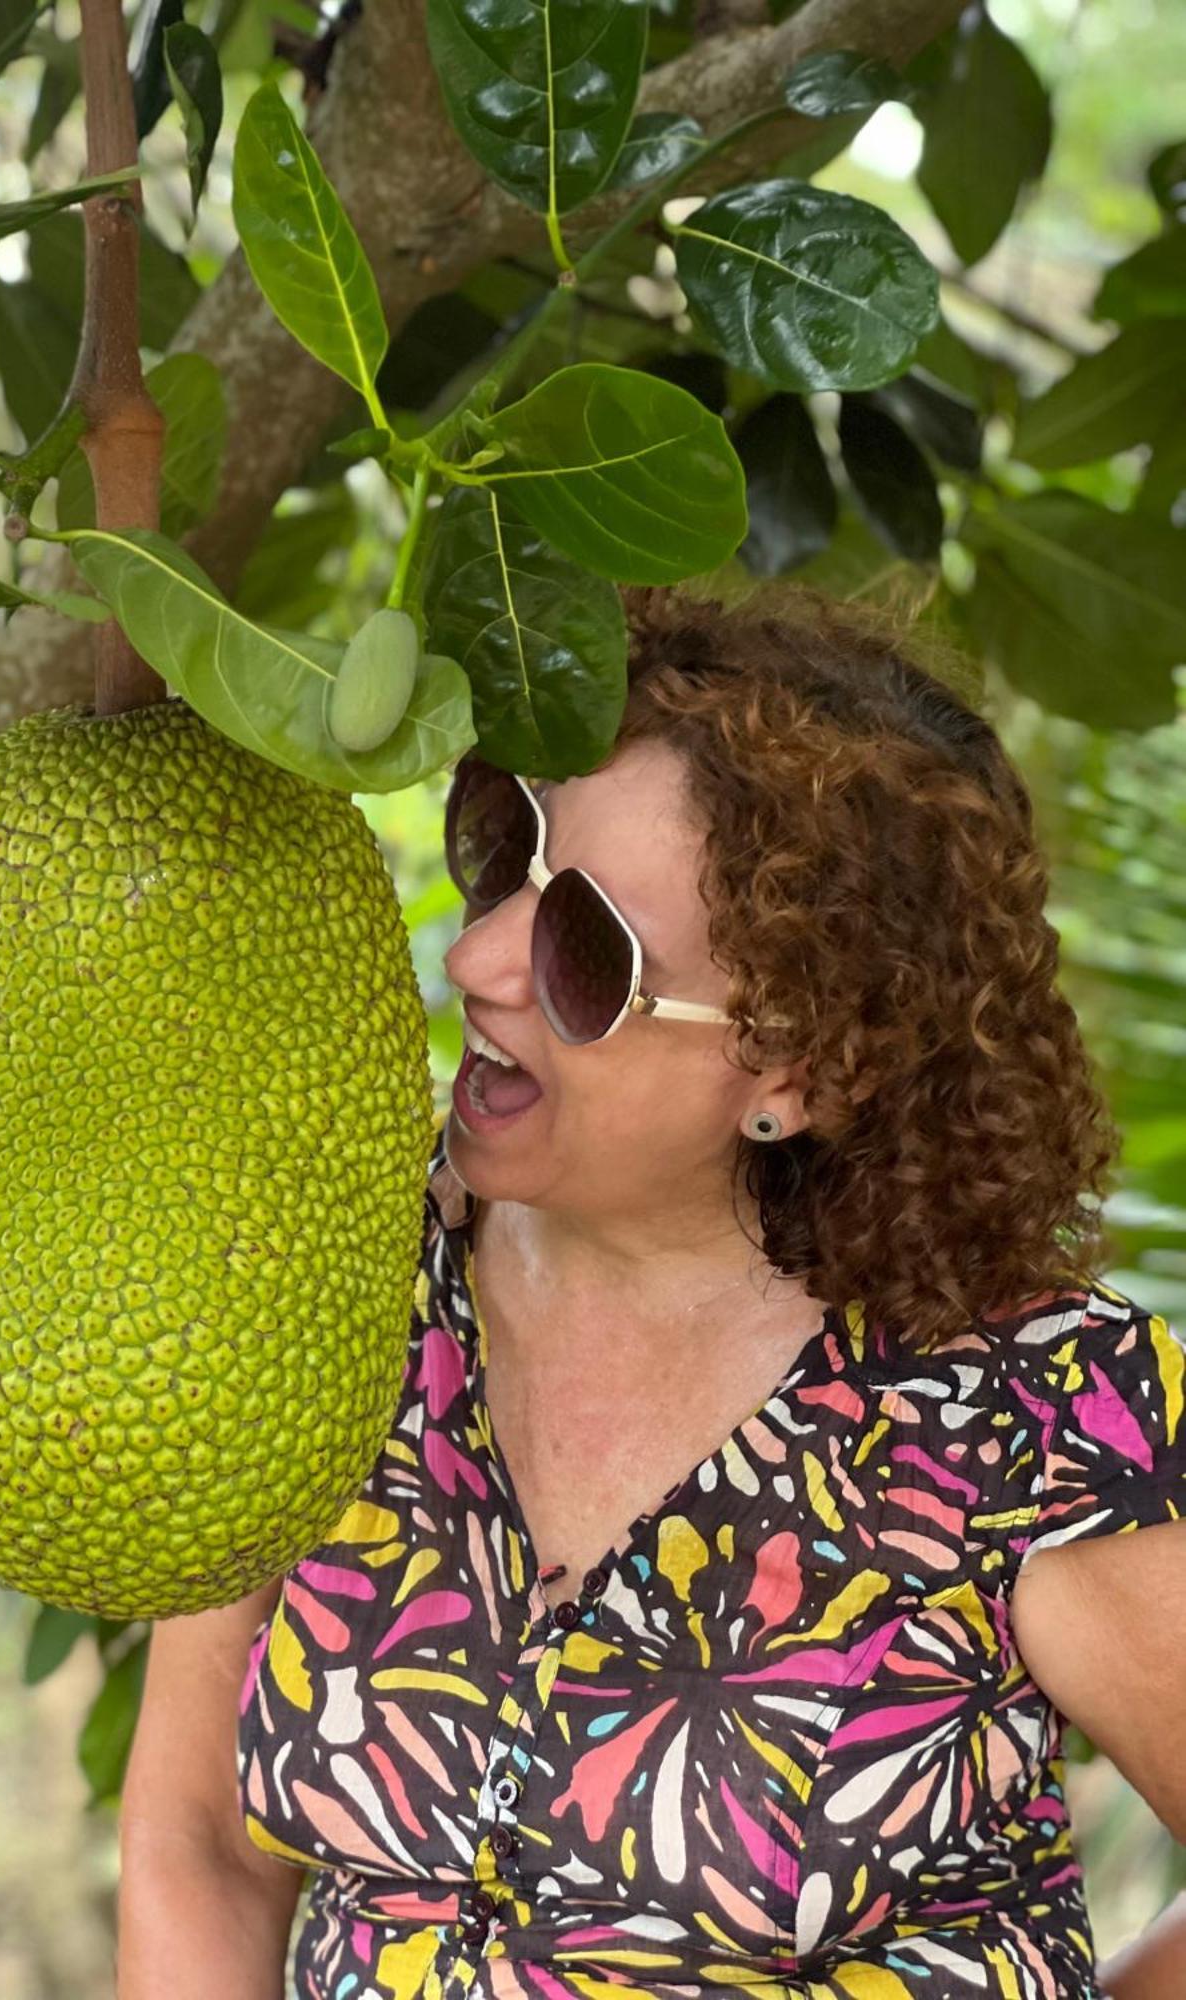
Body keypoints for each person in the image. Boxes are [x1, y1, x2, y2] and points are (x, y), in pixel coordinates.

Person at [211, 581, 1186, 1997]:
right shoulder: (331, 1259)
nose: (477, 960)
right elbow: (204, 1844)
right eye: (512, 867)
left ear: (798, 1067)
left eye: (585, 953)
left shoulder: (1026, 1425)